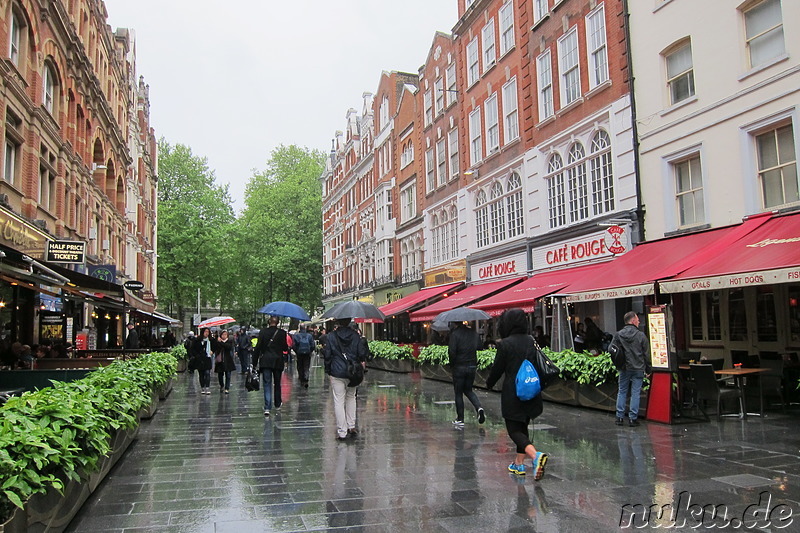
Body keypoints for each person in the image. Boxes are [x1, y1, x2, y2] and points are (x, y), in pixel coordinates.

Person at [486, 308, 549, 480]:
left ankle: (535, 456)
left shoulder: (505, 343)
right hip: (531, 391)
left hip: (513, 393)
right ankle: (518, 464)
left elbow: (497, 369)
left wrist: (489, 384)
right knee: (523, 428)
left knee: (514, 430)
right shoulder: (531, 340)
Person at [323, 318, 368, 441]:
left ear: (338, 322)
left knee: (338, 400)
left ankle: (342, 431)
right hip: (352, 372)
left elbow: (327, 355)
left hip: (337, 371)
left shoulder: (331, 336)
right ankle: (351, 425)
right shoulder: (355, 335)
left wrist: (328, 369)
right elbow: (362, 354)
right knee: (351, 397)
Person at [613, 311, 651, 427]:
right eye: (638, 319)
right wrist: (648, 369)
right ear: (633, 320)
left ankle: (619, 417)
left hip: (624, 367)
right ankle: (632, 418)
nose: (639, 321)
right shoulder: (641, 336)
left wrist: (618, 363)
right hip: (638, 367)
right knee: (635, 393)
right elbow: (646, 354)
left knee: (622, 391)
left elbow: (612, 349)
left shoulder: (618, 335)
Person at [448, 321, 485, 427]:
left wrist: (452, 364)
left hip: (459, 366)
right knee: (468, 390)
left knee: (458, 392)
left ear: (455, 323)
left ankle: (460, 418)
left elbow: (452, 351)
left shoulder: (454, 334)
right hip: (472, 365)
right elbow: (480, 346)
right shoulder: (473, 333)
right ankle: (479, 407)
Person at [255, 316, 288, 417]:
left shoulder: (263, 332)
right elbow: (285, 347)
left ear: (269, 322)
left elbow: (258, 347)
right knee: (277, 383)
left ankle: (267, 407)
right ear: (278, 322)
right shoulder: (282, 333)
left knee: (267, 383)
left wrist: (254, 361)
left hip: (266, 361)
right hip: (278, 361)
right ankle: (277, 403)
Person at [191, 328, 216, 394]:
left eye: (208, 332)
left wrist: (212, 351)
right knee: (201, 374)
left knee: (207, 373)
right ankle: (202, 387)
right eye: (205, 331)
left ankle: (207, 387)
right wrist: (197, 355)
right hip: (200, 359)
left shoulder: (211, 340)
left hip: (207, 358)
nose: (206, 333)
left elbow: (215, 347)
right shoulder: (197, 340)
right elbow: (193, 349)